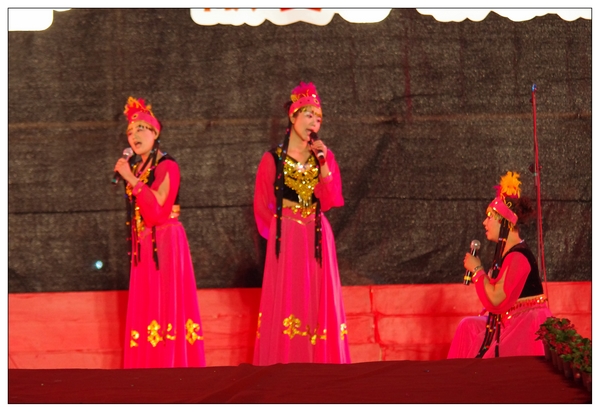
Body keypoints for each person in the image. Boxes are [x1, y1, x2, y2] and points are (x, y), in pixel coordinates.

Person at [252, 82, 351, 365]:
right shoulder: (272, 158)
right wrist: (280, 232)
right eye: (308, 115)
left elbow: (330, 199)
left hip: (317, 235)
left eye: (318, 118)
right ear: (293, 116)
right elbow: (262, 205)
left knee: (318, 299)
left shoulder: (324, 157)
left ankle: (321, 363)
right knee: (289, 297)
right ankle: (285, 362)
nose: (314, 122)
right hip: (287, 235)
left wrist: (324, 165)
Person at [114, 97, 206, 368]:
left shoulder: (168, 165)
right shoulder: (137, 168)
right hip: (144, 245)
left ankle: (171, 364)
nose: (134, 136)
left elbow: (157, 213)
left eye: (141, 129)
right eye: (130, 132)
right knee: (147, 306)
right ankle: (147, 366)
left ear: (155, 133)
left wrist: (131, 179)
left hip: (165, 242)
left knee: (166, 303)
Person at [447, 171, 552, 359]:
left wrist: (477, 270)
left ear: (505, 222)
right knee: (467, 326)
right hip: (511, 321)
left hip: (523, 325)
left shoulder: (518, 256)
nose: (484, 222)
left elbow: (496, 298)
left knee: (481, 347)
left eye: (489, 217)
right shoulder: (507, 254)